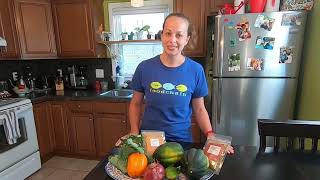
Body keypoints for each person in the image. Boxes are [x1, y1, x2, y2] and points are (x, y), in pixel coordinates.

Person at [128, 13, 234, 153]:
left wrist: (210, 135)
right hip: (149, 141)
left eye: (179, 35)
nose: (172, 40)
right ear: (162, 35)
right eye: (168, 33)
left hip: (181, 143)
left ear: (186, 39)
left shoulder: (196, 70)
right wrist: (134, 131)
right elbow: (135, 103)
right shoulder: (144, 68)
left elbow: (200, 109)